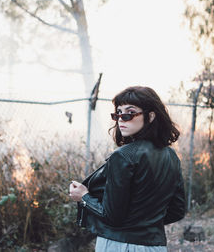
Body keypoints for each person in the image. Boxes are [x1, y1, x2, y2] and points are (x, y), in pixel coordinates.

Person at [69, 86, 185, 252]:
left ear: (151, 116)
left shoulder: (123, 156)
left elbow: (112, 217)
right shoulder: (171, 156)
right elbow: (178, 210)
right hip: (156, 246)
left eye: (129, 113)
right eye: (118, 114)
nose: (121, 119)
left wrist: (84, 197)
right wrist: (145, 224)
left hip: (119, 245)